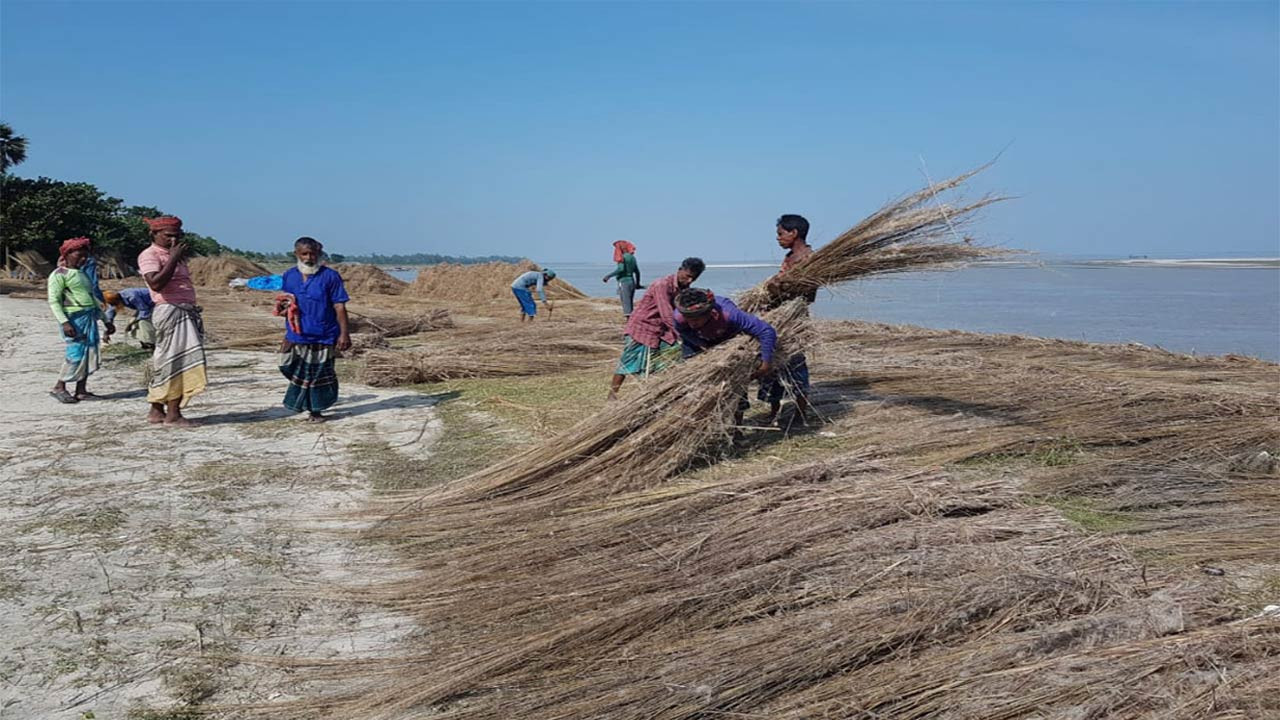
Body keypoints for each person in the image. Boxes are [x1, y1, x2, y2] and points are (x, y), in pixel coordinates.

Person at [673, 287, 777, 427]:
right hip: (699, 341)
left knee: (735, 385)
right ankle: (697, 422)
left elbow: (766, 331)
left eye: (696, 320)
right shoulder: (679, 316)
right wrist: (701, 344)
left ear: (710, 313)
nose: (692, 323)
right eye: (688, 319)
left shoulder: (729, 315)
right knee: (695, 385)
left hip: (728, 338)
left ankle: (737, 427)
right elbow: (684, 331)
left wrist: (766, 362)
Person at [137, 216, 206, 426]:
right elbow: (156, 284)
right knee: (177, 361)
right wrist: (174, 258)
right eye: (168, 236)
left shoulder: (175, 255)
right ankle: (173, 414)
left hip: (183, 310)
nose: (173, 240)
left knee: (165, 360)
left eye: (177, 236)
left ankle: (156, 410)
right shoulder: (149, 255)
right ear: (154, 234)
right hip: (170, 311)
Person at [607, 257, 704, 400]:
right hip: (642, 326)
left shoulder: (684, 289)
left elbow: (681, 311)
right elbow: (667, 314)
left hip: (661, 329)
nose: (689, 281)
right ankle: (612, 394)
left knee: (669, 358)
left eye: (693, 279)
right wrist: (684, 335)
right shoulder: (662, 285)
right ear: (680, 270)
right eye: (688, 276)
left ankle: (659, 392)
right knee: (628, 360)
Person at [278, 237, 351, 422]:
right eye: (304, 254)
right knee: (286, 364)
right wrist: (283, 311)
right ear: (296, 254)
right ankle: (303, 402)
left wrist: (344, 334)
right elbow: (287, 301)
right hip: (296, 333)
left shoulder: (330, 277)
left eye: (312, 253)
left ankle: (315, 410)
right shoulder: (289, 276)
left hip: (323, 334)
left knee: (318, 375)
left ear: (318, 254)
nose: (309, 257)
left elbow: (339, 307)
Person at [758, 213, 814, 425]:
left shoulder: (809, 259)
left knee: (795, 363)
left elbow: (807, 293)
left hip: (794, 319)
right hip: (778, 318)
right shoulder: (790, 257)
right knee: (772, 362)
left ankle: (800, 414)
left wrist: (777, 286)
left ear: (794, 233)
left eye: (781, 234)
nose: (777, 238)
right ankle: (773, 412)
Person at [46, 237, 103, 403]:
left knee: (89, 354)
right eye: (79, 255)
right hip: (73, 319)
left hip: (89, 317)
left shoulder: (83, 274)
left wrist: (106, 320)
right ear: (68, 254)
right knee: (76, 353)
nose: (83, 259)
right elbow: (54, 301)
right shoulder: (59, 275)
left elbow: (91, 298)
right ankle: (59, 387)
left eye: (85, 256)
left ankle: (81, 390)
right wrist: (64, 322)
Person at [602, 240, 641, 319]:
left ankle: (629, 323)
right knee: (630, 302)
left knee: (626, 304)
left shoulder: (622, 258)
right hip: (631, 282)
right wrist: (637, 284)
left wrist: (608, 276)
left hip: (624, 282)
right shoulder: (632, 258)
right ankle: (631, 322)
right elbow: (637, 272)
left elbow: (621, 269)